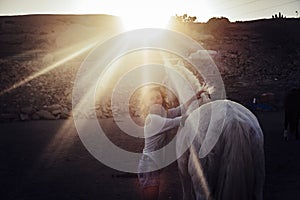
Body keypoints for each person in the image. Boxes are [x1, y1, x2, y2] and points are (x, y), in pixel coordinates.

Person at [137, 85, 204, 200]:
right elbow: (178, 121)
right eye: (151, 98)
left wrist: (195, 96)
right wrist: (204, 113)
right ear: (146, 103)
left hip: (154, 164)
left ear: (162, 99)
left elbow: (180, 109)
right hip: (149, 165)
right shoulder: (153, 120)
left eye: (158, 97)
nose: (156, 101)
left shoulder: (163, 114)